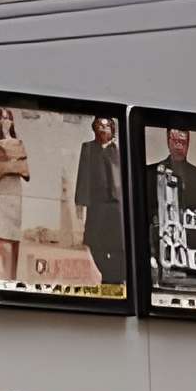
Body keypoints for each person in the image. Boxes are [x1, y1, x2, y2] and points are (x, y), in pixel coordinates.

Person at [147, 126, 196, 286]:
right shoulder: (151, 174)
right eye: (175, 141)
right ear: (168, 141)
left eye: (183, 142)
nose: (179, 146)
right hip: (162, 259)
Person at [73, 114, 125, 288]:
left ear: (112, 129)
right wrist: (80, 202)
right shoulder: (88, 148)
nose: (103, 129)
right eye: (99, 125)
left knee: (117, 244)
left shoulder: (118, 150)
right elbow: (83, 175)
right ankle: (108, 273)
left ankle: (115, 278)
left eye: (106, 126)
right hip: (97, 204)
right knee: (95, 243)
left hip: (117, 205)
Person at [0, 106, 30, 283]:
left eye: (8, 118)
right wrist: (10, 165)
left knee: (14, 236)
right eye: (0, 117)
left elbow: (24, 170)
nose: (5, 121)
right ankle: (1, 278)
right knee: (1, 235)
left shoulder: (18, 142)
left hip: (15, 192)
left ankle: (11, 279)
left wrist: (10, 164)